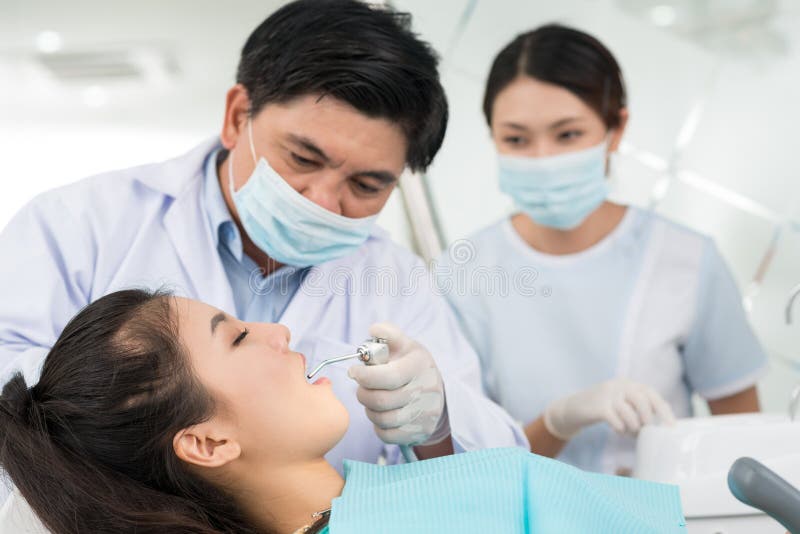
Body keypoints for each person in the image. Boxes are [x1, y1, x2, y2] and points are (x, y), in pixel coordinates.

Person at [0, 0, 527, 477]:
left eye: (366, 185)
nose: (322, 200)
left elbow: (499, 472)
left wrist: (434, 425)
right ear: (236, 117)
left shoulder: (397, 283)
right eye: (302, 158)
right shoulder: (80, 222)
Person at [0, 290, 687, 533]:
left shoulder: (484, 485)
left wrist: (442, 444)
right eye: (238, 336)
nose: (281, 332)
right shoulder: (502, 489)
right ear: (206, 443)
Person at [437, 24, 768, 475]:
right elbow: (463, 467)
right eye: (516, 139)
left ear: (616, 129)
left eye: (568, 134)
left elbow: (745, 445)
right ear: (492, 137)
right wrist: (559, 420)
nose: (542, 158)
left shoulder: (687, 260)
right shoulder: (464, 274)